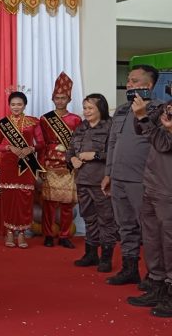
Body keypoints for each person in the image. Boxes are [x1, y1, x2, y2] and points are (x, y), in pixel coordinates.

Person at [103, 64, 162, 286]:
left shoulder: (159, 110)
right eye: (128, 80)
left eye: (135, 81)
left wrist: (143, 115)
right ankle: (130, 269)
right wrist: (108, 173)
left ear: (148, 85)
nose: (129, 84)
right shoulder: (121, 110)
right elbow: (112, 142)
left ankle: (154, 275)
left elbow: (160, 143)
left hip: (143, 179)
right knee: (124, 225)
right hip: (118, 177)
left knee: (148, 228)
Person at [125, 97, 172, 317]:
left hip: (168, 189)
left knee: (169, 241)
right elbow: (140, 128)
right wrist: (141, 114)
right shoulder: (165, 106)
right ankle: (156, 284)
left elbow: (164, 144)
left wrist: (146, 119)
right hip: (152, 185)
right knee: (152, 239)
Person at [67, 94, 118, 272]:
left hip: (101, 181)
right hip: (82, 180)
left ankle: (106, 257)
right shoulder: (81, 127)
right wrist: (72, 158)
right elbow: (70, 149)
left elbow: (117, 154)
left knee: (106, 220)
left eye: (90, 108)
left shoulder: (111, 126)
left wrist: (95, 155)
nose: (86, 111)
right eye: (85, 108)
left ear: (100, 109)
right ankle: (91, 253)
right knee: (89, 218)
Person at [0, 91, 45, 249]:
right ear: (9, 105)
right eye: (13, 104)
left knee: (24, 199)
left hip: (26, 165)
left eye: (19, 104)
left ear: (25, 105)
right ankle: (9, 232)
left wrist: (31, 148)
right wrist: (8, 147)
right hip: (8, 165)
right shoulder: (3, 123)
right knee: (9, 200)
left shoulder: (33, 122)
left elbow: (41, 143)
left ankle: (22, 234)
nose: (16, 107)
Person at [39, 72, 81, 248]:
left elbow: (78, 143)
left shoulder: (76, 119)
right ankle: (48, 234)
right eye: (57, 97)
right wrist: (40, 165)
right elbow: (41, 143)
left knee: (66, 204)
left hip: (68, 163)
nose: (60, 100)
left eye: (63, 97)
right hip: (49, 163)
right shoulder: (45, 118)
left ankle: (64, 236)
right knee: (49, 203)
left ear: (69, 99)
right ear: (52, 98)